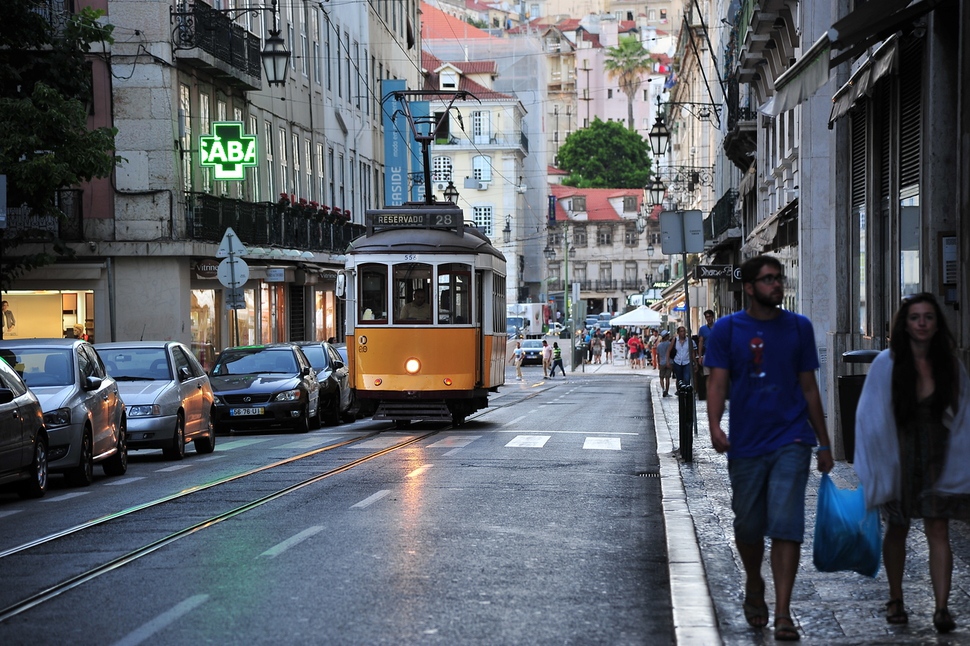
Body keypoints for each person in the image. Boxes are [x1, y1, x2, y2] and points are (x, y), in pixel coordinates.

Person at [704, 254, 833, 642]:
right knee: (748, 526)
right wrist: (713, 425)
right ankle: (754, 582)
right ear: (749, 287)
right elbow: (717, 384)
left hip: (792, 439)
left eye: (779, 278)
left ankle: (782, 612)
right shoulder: (727, 330)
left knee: (786, 523)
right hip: (746, 442)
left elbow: (809, 388)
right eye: (768, 279)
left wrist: (824, 442)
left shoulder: (798, 328)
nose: (777, 285)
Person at [854, 292, 970, 634]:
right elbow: (869, 416)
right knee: (898, 527)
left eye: (928, 317)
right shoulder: (886, 365)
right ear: (904, 324)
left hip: (938, 454)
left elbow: (963, 413)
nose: (921, 323)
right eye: (915, 317)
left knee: (938, 527)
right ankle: (895, 598)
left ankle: (941, 608)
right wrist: (875, 464)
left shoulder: (950, 365)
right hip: (898, 453)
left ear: (937, 323)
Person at [655, 330, 673, 396]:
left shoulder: (659, 345)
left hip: (662, 362)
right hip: (669, 362)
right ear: (666, 337)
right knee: (667, 378)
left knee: (661, 378)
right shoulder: (670, 344)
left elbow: (658, 355)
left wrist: (658, 363)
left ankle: (663, 389)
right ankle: (667, 391)